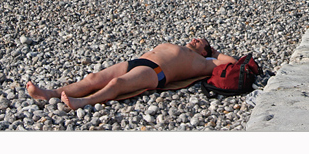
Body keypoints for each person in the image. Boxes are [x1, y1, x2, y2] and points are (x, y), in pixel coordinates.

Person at [25, 38, 236, 110]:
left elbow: (233, 63)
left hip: (156, 72)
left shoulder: (203, 62)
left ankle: (84, 102)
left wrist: (214, 52)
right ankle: (49, 93)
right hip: (138, 62)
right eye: (196, 38)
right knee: (93, 78)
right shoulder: (186, 49)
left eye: (201, 42)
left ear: (204, 51)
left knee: (117, 83)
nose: (195, 40)